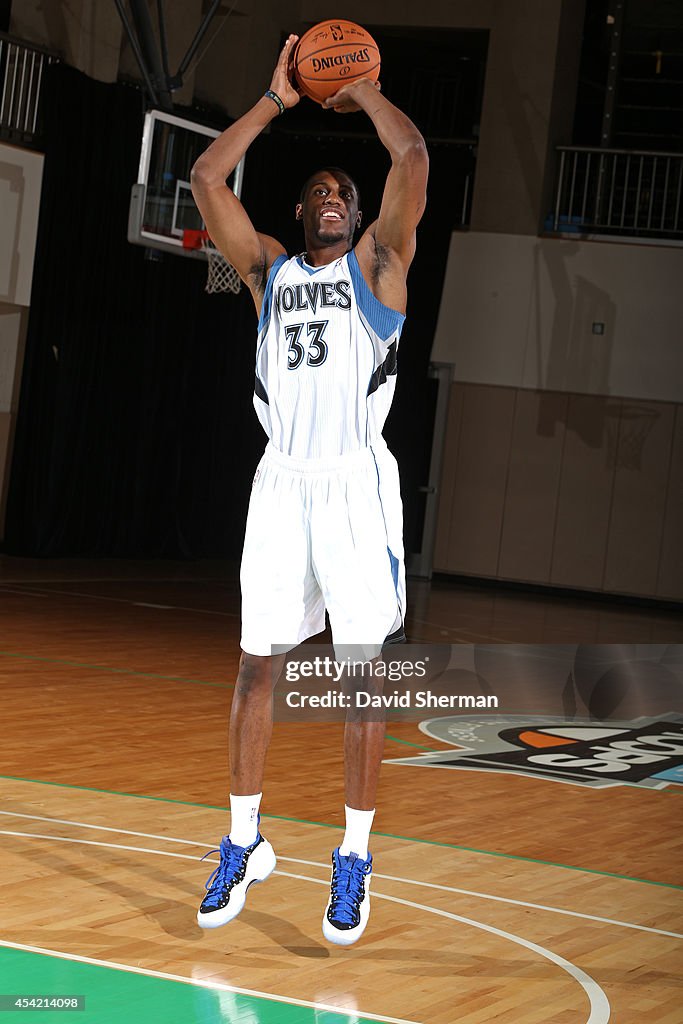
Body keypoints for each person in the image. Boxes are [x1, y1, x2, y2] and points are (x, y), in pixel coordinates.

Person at [190, 33, 428, 946]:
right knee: (257, 666)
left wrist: (362, 90)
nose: (332, 201)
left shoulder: (378, 269)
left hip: (355, 485)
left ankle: (356, 858)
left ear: (363, 219)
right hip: (280, 484)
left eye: (345, 197)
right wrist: (276, 100)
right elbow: (211, 179)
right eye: (319, 193)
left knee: (360, 678)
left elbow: (410, 157)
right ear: (297, 210)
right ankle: (244, 842)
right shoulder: (267, 275)